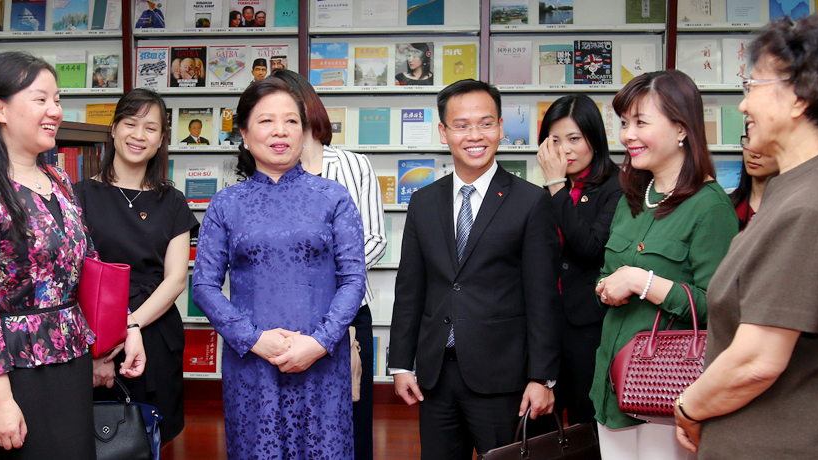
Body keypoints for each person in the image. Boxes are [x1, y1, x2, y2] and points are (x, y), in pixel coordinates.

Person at [672, 16, 818, 459]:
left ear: (799, 97)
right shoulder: (799, 188)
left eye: (753, 84)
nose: (743, 105)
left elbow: (757, 361)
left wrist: (688, 408)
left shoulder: (810, 205)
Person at [0, 51, 146, 460]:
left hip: (70, 363)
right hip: (13, 372)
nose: (54, 111)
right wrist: (0, 400)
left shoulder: (57, 179)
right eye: (40, 99)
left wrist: (121, 333)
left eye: (57, 100)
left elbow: (88, 269)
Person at [191, 78, 366, 460]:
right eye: (266, 120)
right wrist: (254, 338)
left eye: (291, 121)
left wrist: (319, 343)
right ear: (243, 132)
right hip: (252, 363)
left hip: (322, 361)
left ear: (304, 131)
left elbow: (353, 279)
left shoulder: (333, 197)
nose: (280, 131)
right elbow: (203, 286)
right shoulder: (225, 203)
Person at [388, 79, 562, 460]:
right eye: (462, 125)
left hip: (503, 379)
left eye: (485, 123)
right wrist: (400, 363)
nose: (475, 136)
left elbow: (543, 298)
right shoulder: (423, 202)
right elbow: (410, 289)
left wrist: (542, 377)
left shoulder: (531, 202)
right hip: (436, 377)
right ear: (443, 132)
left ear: (500, 127)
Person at [589, 69, 737, 460]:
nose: (628, 135)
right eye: (624, 123)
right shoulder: (632, 198)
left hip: (667, 392)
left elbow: (720, 309)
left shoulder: (710, 207)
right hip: (611, 384)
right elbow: (607, 274)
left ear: (682, 129)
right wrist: (607, 286)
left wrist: (642, 281)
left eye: (641, 122)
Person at [272, 69, 387, 460]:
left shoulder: (353, 165)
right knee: (289, 427)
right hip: (283, 322)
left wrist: (322, 287)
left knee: (349, 424)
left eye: (288, 109)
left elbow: (375, 239)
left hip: (346, 318)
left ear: (307, 108)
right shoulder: (267, 172)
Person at [74, 88, 198, 444]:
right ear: (114, 129)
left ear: (161, 140)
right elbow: (72, 275)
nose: (139, 135)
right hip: (93, 334)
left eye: (150, 128)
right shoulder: (77, 196)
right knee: (91, 438)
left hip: (153, 331)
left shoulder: (172, 201)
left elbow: (175, 280)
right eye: (130, 123)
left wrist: (131, 325)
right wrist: (103, 345)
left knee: (149, 438)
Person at [533, 94, 622, 428]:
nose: (565, 150)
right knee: (542, 425)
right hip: (548, 323)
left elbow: (590, 246)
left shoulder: (616, 186)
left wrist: (556, 184)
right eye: (555, 140)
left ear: (594, 140)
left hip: (590, 325)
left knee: (588, 424)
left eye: (574, 139)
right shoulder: (546, 191)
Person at [726, 139, 778, 231]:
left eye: (765, 144)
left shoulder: (794, 209)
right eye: (749, 140)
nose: (754, 153)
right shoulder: (726, 207)